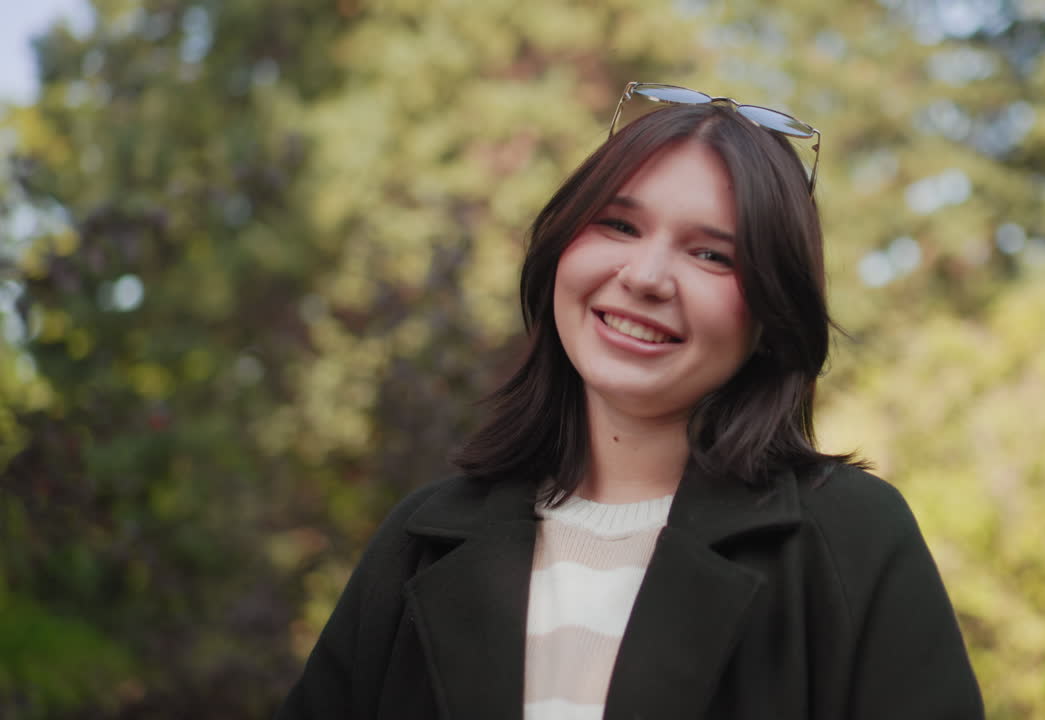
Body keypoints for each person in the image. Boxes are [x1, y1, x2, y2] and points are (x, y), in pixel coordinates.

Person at [276, 82, 984, 720]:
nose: (645, 276)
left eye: (712, 255)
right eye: (619, 225)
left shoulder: (848, 540)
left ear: (772, 315)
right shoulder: (424, 540)